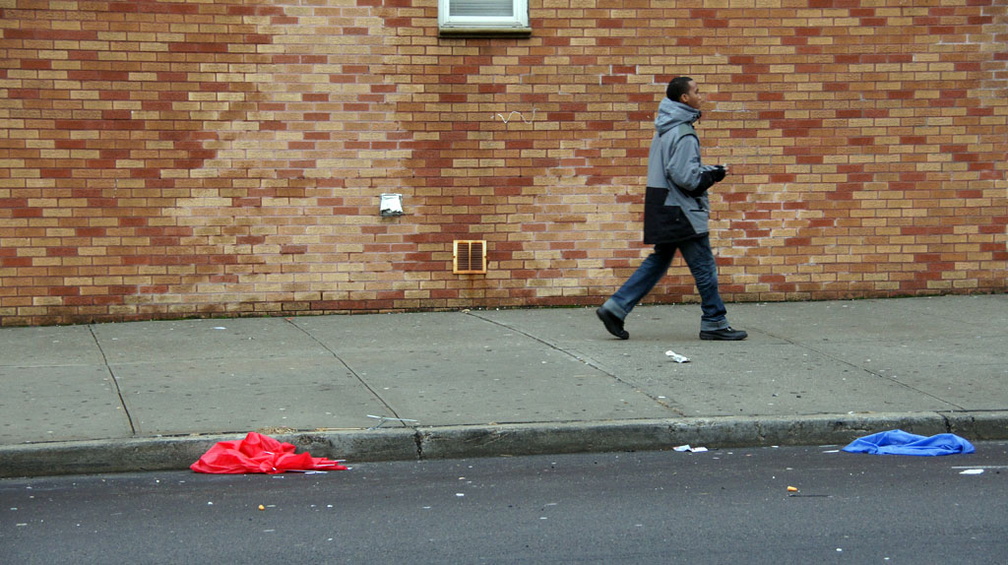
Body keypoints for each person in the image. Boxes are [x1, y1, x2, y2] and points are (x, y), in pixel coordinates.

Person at [596, 76, 747, 341]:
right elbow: (686, 177)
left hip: (663, 205)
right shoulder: (684, 133)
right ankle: (714, 322)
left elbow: (674, 170)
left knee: (659, 261)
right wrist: (715, 174)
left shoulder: (665, 128)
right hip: (682, 211)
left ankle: (616, 307)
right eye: (697, 92)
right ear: (684, 99)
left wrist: (708, 170)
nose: (702, 96)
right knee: (704, 267)